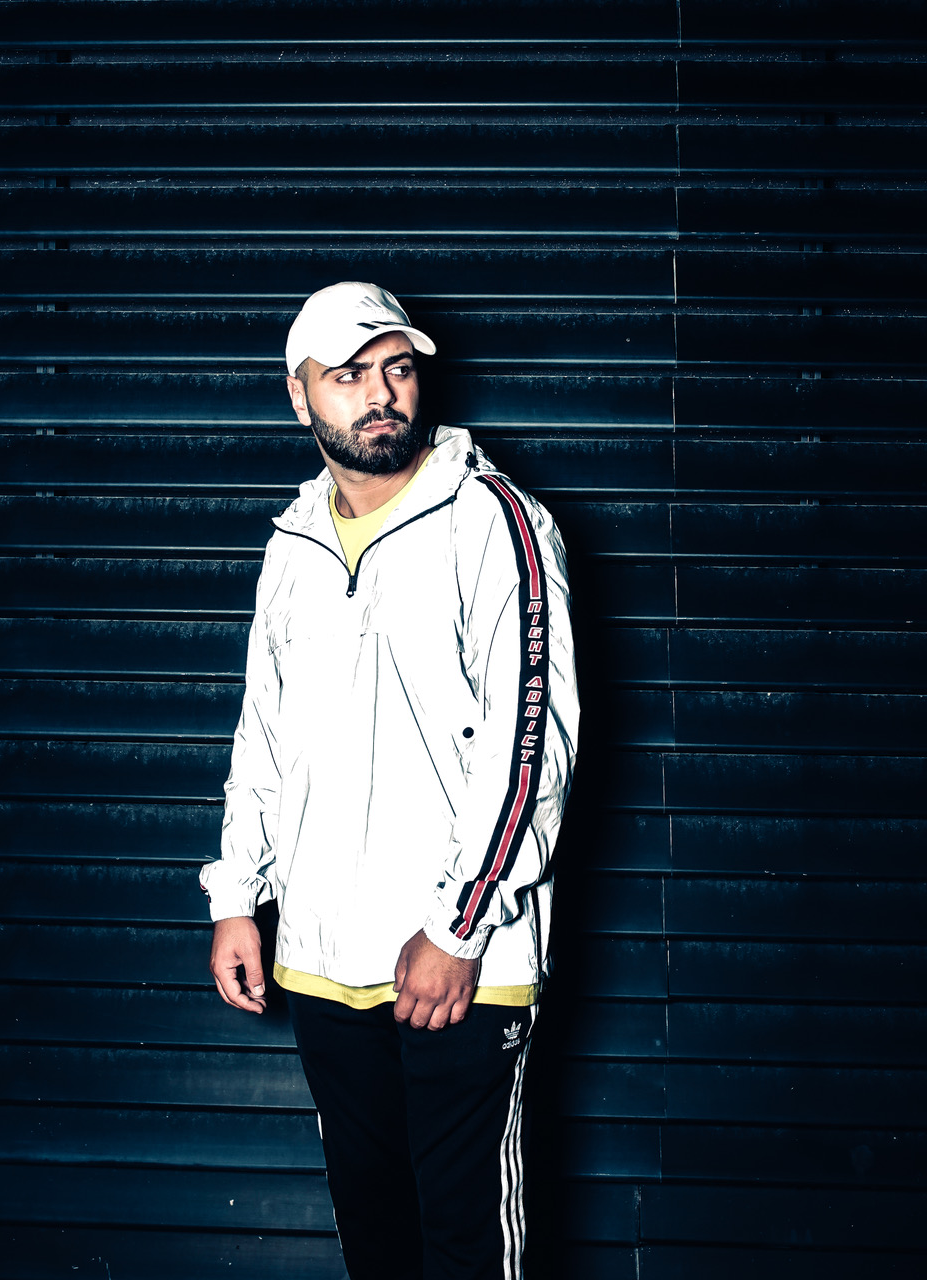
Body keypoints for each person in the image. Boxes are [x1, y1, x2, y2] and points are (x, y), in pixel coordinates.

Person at [200, 281, 579, 1280]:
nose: (380, 395)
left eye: (396, 369)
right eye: (349, 375)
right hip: (323, 957)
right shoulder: (295, 542)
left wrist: (459, 926)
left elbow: (531, 746)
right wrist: (237, 895)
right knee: (376, 1242)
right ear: (300, 396)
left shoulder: (493, 521)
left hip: (461, 962)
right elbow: (264, 732)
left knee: (468, 1248)